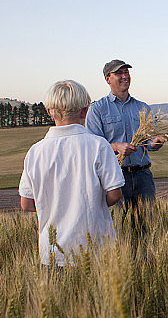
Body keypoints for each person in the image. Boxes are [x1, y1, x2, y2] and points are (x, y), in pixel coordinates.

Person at [19, 80, 125, 266]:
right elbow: (115, 194)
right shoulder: (99, 145)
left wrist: (55, 205)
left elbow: (26, 204)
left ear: (49, 111)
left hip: (52, 252)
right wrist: (91, 204)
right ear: (85, 111)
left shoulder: (35, 152)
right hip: (96, 248)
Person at [85, 59, 165, 206]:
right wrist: (116, 147)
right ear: (108, 79)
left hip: (143, 176)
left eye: (126, 72)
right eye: (119, 73)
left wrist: (157, 141)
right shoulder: (97, 109)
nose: (124, 76)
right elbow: (93, 146)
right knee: (119, 226)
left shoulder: (143, 108)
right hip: (114, 176)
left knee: (147, 225)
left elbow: (149, 144)